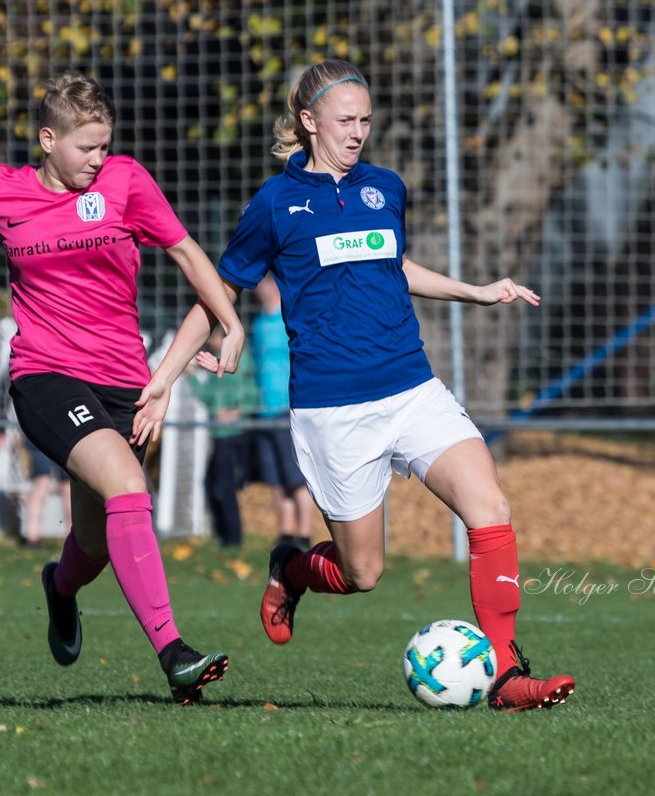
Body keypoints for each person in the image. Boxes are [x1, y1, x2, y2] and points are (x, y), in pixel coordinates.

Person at [141, 59, 575, 712]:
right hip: (333, 410)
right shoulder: (275, 204)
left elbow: (392, 263)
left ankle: (508, 674)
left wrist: (475, 293)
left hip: (411, 387)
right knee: (361, 572)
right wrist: (166, 377)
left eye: (367, 120)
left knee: (492, 510)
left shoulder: (385, 187)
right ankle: (292, 569)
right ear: (309, 122)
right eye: (346, 120)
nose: (359, 132)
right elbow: (216, 292)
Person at [0, 71, 245, 705]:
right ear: (47, 140)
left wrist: (229, 321)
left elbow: (189, 252)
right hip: (45, 376)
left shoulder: (127, 183)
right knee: (128, 485)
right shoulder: (2, 191)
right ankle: (174, 653)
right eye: (86, 147)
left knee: (94, 543)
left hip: (124, 380)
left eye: (104, 145)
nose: (98, 158)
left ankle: (59, 588)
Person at [250, 275, 317, 551]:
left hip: (288, 408)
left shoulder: (290, 318)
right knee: (275, 478)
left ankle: (305, 533)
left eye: (265, 283)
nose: (259, 289)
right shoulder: (257, 326)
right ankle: (286, 533)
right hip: (263, 410)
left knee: (295, 476)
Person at [188, 326, 260, 547]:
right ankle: (223, 536)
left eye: (213, 337)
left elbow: (250, 395)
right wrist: (191, 376)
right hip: (219, 433)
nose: (210, 342)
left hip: (233, 434)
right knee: (210, 484)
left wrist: (236, 411)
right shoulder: (216, 363)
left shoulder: (242, 360)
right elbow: (207, 397)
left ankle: (233, 539)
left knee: (227, 486)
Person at [20, 435, 71, 548]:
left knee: (68, 485)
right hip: (39, 431)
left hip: (64, 432)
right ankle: (33, 537)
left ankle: (73, 538)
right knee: (42, 481)